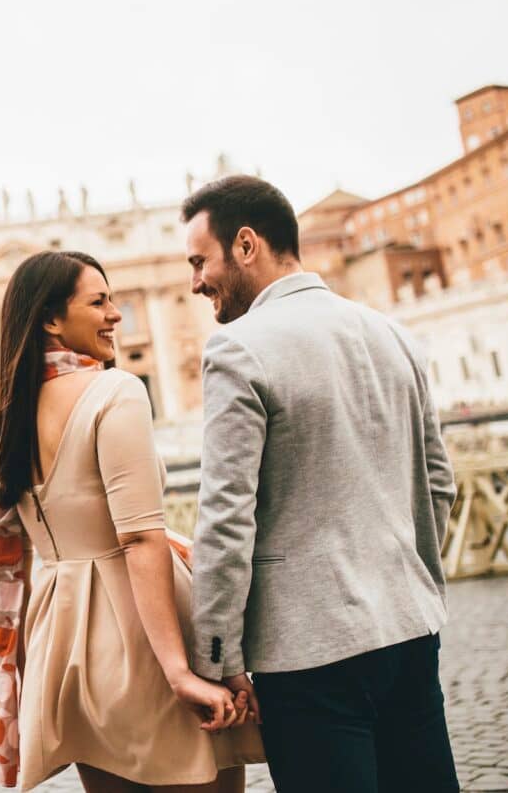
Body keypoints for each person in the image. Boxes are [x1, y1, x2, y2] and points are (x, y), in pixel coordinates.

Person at [0, 250, 262, 791]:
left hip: (61, 639)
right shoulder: (116, 391)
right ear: (51, 320)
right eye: (99, 302)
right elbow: (138, 538)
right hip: (143, 632)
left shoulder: (0, 418)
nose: (115, 315)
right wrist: (181, 669)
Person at [182, 175, 458, 793]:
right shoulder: (394, 335)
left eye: (201, 261)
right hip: (409, 630)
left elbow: (226, 518)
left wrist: (218, 658)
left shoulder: (237, 348)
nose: (196, 281)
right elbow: (439, 482)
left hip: (308, 655)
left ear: (246, 244)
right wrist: (410, 578)